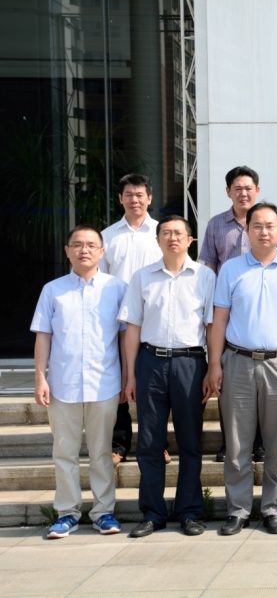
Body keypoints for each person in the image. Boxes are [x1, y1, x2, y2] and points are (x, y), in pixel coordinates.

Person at [207, 202, 277, 536]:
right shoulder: (231, 269)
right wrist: (214, 364)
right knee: (237, 444)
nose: (264, 232)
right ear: (247, 231)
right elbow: (219, 319)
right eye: (257, 226)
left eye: (270, 226)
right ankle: (237, 509)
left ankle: (274, 508)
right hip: (237, 362)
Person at [118, 215, 216, 537]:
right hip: (151, 363)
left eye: (178, 233)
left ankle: (189, 511)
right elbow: (132, 328)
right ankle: (153, 513)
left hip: (191, 364)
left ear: (190, 240)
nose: (172, 238)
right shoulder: (142, 277)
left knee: (190, 442)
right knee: (149, 442)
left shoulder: (205, 276)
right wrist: (130, 375)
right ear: (157, 240)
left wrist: (212, 367)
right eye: (166, 233)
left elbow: (211, 327)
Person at [31, 225, 126, 539]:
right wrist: (40, 377)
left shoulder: (117, 288)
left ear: (101, 251)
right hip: (63, 384)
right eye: (77, 245)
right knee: (64, 452)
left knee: (101, 452)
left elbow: (125, 337)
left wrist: (128, 377)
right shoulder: (53, 290)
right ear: (67, 251)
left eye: (91, 245)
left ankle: (103, 512)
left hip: (105, 382)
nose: (84, 250)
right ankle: (67, 513)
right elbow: (44, 336)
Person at [199, 166, 277, 462]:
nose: (243, 193)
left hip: (261, 311)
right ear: (228, 192)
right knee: (230, 381)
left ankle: (259, 444)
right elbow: (208, 266)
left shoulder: (271, 223)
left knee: (263, 387)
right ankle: (231, 443)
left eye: (248, 188)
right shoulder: (216, 225)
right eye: (237, 188)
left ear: (257, 191)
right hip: (227, 311)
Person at [98, 174, 163, 466]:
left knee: (154, 387)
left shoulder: (162, 232)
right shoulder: (107, 236)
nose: (134, 200)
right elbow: (99, 279)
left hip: (154, 321)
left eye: (139, 194)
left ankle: (157, 443)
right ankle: (119, 443)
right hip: (117, 323)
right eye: (128, 195)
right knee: (118, 383)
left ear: (149, 198)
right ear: (120, 199)